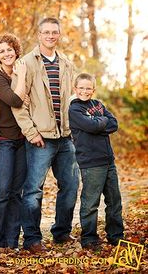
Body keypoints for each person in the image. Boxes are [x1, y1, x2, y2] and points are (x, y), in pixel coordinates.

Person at [12, 17, 79, 253]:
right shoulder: (26, 64)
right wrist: (31, 133)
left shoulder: (67, 65)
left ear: (59, 35)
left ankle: (61, 233)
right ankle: (32, 239)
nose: (50, 36)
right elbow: (17, 105)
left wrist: (76, 132)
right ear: (39, 35)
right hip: (40, 139)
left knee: (70, 186)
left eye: (54, 32)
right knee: (33, 190)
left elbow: (74, 100)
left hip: (66, 138)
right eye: (46, 32)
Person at [68, 73, 124, 251]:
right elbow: (92, 126)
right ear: (75, 89)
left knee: (114, 201)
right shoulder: (74, 108)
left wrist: (98, 123)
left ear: (93, 89)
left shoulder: (98, 105)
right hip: (91, 163)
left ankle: (116, 236)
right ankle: (89, 238)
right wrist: (99, 123)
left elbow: (113, 123)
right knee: (91, 203)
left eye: (88, 88)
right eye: (81, 88)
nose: (85, 91)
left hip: (108, 160)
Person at [0, 33, 27, 253]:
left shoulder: (22, 72)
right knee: (2, 191)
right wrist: (20, 80)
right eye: (2, 51)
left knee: (16, 193)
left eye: (9, 49)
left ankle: (11, 242)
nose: (6, 53)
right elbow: (15, 100)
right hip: (3, 141)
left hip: (22, 141)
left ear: (15, 50)